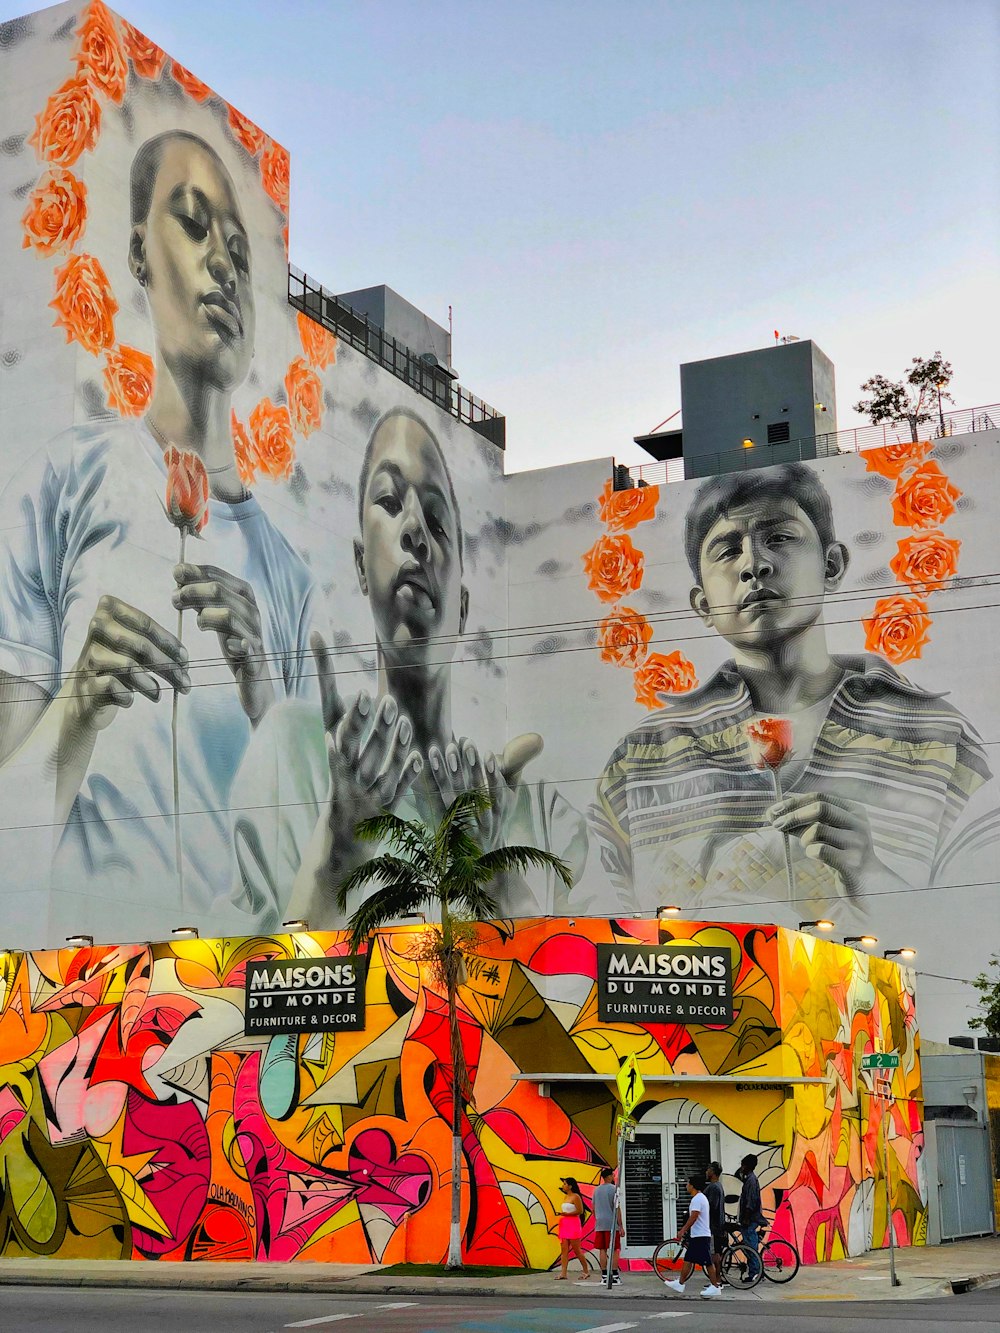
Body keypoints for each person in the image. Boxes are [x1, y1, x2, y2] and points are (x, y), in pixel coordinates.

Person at [0, 131, 314, 932]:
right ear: (138, 250)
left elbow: (317, 861)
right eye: (193, 223)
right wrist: (75, 713)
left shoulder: (288, 578)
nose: (225, 264)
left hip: (243, 994)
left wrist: (265, 702)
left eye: (242, 250)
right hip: (76, 995)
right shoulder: (66, 483)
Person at [231, 408, 587, 928]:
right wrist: (340, 842)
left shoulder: (537, 815)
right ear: (359, 565)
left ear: (463, 608)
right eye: (391, 501)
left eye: (438, 522)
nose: (415, 530)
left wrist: (495, 875)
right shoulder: (291, 751)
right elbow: (244, 990)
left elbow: (573, 998)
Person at [590, 463, 993, 917]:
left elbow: (978, 930)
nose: (754, 565)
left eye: (779, 537)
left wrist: (870, 874)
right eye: (726, 551)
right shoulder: (645, 753)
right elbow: (594, 915)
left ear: (832, 565)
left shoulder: (937, 735)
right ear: (703, 604)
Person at [662, 1173, 721, 1299]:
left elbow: (694, 1216)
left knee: (707, 1262)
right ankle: (680, 1283)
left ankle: (715, 1287)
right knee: (688, 1259)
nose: (686, 1185)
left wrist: (683, 1230)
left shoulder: (698, 1199)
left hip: (701, 1236)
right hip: (698, 1235)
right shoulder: (700, 1198)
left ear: (693, 1186)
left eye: (688, 1183)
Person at [592, 1166, 623, 1285]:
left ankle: (604, 1276)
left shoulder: (596, 1190)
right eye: (612, 1175)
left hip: (600, 1223)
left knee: (602, 1249)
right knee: (615, 1249)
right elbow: (617, 1208)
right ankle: (615, 1276)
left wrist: (598, 1219)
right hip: (611, 1223)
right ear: (609, 1176)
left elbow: (593, 1208)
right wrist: (620, 1225)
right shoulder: (614, 1189)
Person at [555, 1176, 589, 1281]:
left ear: (570, 1186)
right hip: (565, 1223)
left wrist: (567, 1214)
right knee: (564, 1249)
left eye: (565, 1184)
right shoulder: (566, 1197)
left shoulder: (576, 1196)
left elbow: (580, 1211)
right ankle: (563, 1273)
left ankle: (586, 1271)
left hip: (573, 1223)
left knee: (576, 1249)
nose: (563, 1186)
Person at [736, 1153, 765, 1273]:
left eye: (743, 1165)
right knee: (749, 1245)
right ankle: (756, 1271)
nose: (741, 1167)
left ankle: (755, 1272)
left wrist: (746, 1218)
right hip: (749, 1218)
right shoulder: (748, 1179)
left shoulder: (751, 1181)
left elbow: (750, 1202)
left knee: (750, 1247)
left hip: (750, 1219)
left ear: (748, 1166)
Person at [704, 1160, 726, 1277]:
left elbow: (712, 1206)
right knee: (716, 1252)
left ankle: (717, 1279)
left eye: (708, 1169)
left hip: (714, 1226)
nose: (706, 1172)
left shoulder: (713, 1187)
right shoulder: (718, 1186)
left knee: (714, 1254)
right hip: (717, 1225)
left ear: (712, 1172)